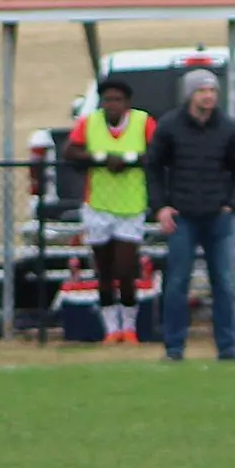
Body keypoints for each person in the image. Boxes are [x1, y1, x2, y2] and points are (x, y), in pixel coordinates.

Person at [143, 69, 235, 362]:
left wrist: (233, 203)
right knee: (177, 283)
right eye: (202, 91)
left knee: (224, 282)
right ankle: (174, 348)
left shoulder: (228, 128)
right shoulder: (169, 126)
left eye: (212, 91)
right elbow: (153, 168)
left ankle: (228, 346)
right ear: (190, 94)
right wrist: (161, 207)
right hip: (183, 217)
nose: (208, 96)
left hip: (219, 217)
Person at [64, 75, 156, 342]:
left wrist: (130, 160)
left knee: (126, 269)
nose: (111, 105)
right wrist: (101, 158)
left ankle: (129, 326)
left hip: (131, 205)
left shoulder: (142, 121)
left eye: (117, 99)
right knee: (103, 270)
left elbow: (160, 151)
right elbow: (70, 152)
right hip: (98, 205)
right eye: (107, 100)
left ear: (127, 103)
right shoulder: (89, 122)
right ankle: (110, 329)